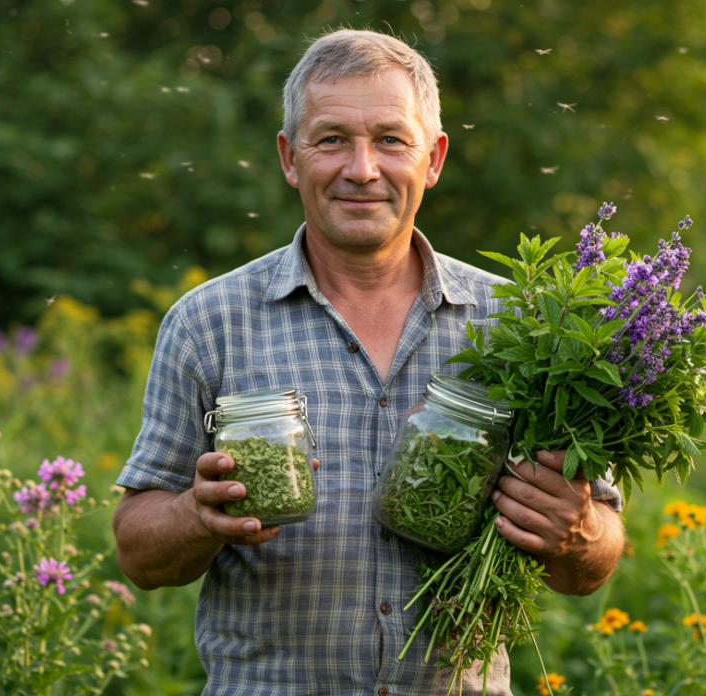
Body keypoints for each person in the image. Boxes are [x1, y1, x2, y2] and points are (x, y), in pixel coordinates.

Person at [112, 28, 626, 695]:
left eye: (390, 139)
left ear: (433, 157)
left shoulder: (522, 324)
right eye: (331, 139)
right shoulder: (210, 322)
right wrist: (197, 516)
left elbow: (597, 556)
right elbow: (137, 551)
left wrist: (576, 530)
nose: (361, 168)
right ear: (289, 158)